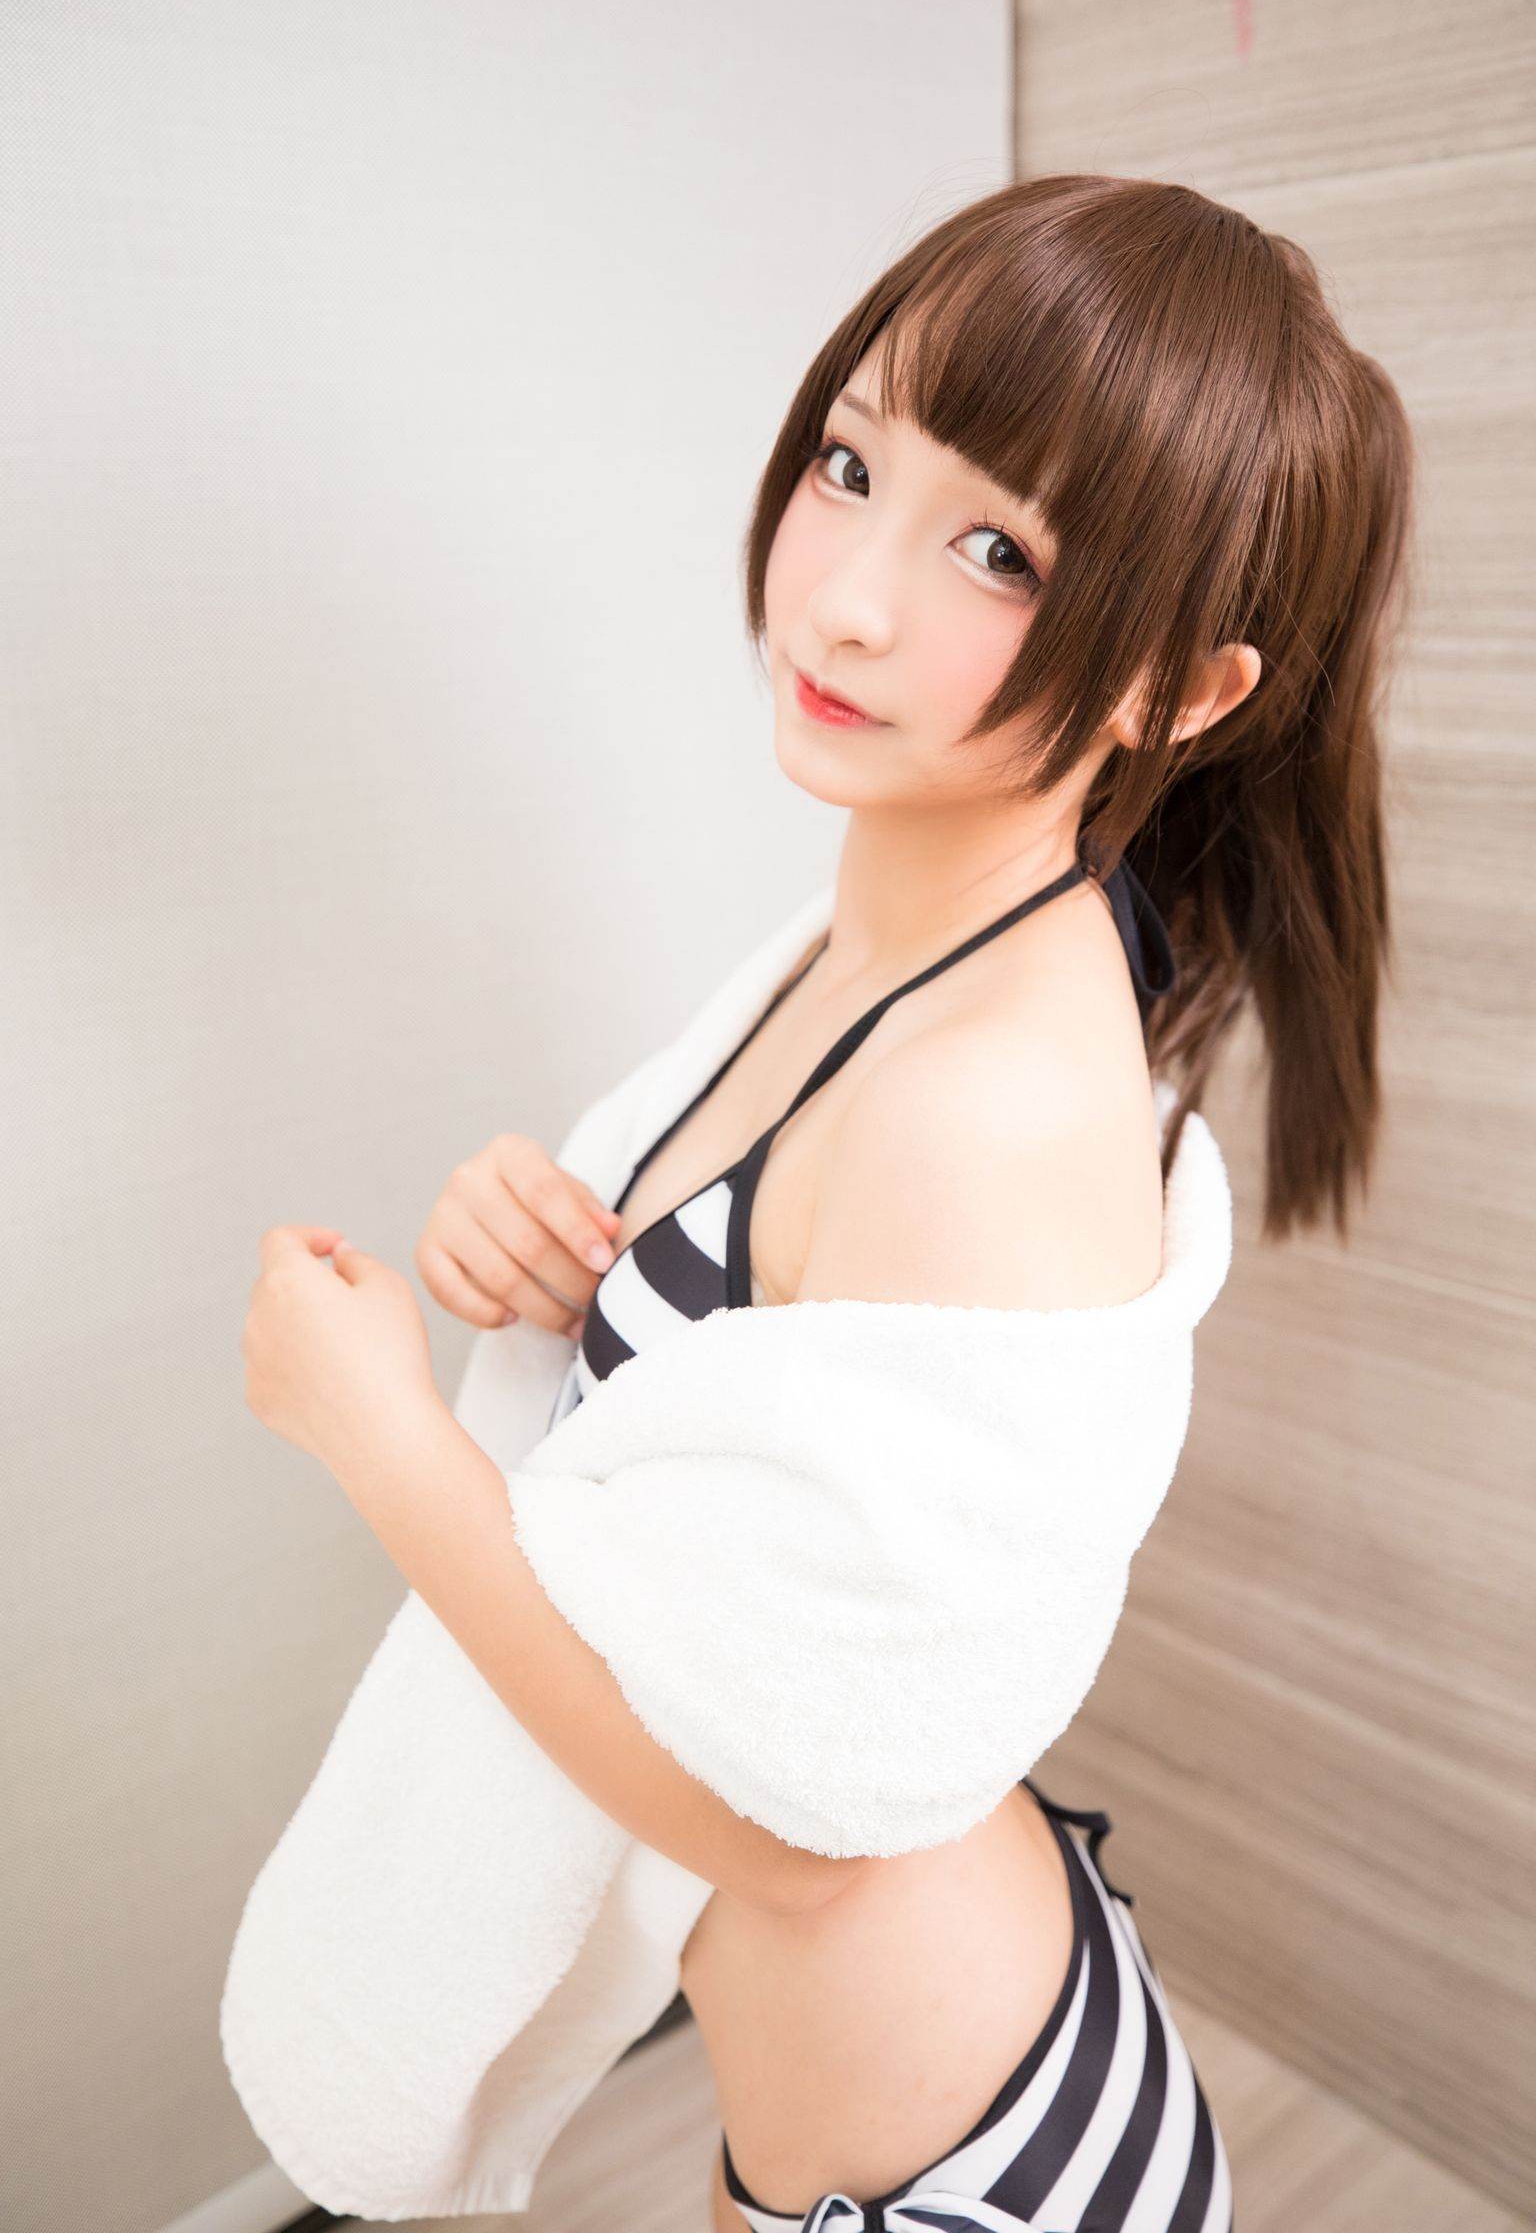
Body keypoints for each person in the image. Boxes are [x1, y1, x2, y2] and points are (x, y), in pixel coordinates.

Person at [406, 174, 1414, 2231]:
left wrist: (368, 1425)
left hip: (972, 2169)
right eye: (853, 463)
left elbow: (793, 1841)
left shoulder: (992, 1096)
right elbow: (757, 1378)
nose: (848, 598)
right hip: (896, 2080)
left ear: (1185, 692)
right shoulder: (893, 935)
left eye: (999, 552)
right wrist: (559, 1255)